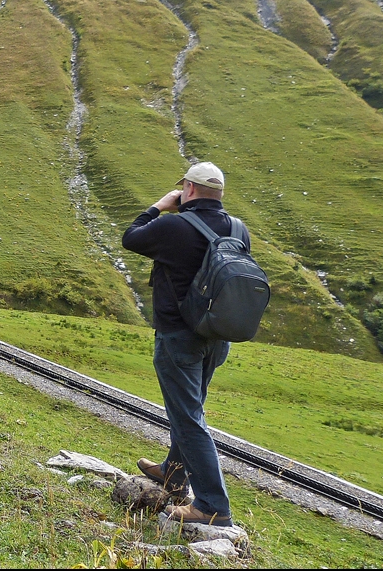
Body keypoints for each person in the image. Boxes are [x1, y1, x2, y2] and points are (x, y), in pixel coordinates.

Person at [121, 161, 242, 528]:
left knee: (188, 419)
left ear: (188, 189)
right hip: (217, 337)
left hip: (179, 337)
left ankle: (211, 506)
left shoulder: (174, 224)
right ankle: (173, 474)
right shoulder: (238, 228)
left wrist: (159, 205)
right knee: (190, 411)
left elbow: (131, 237)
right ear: (219, 193)